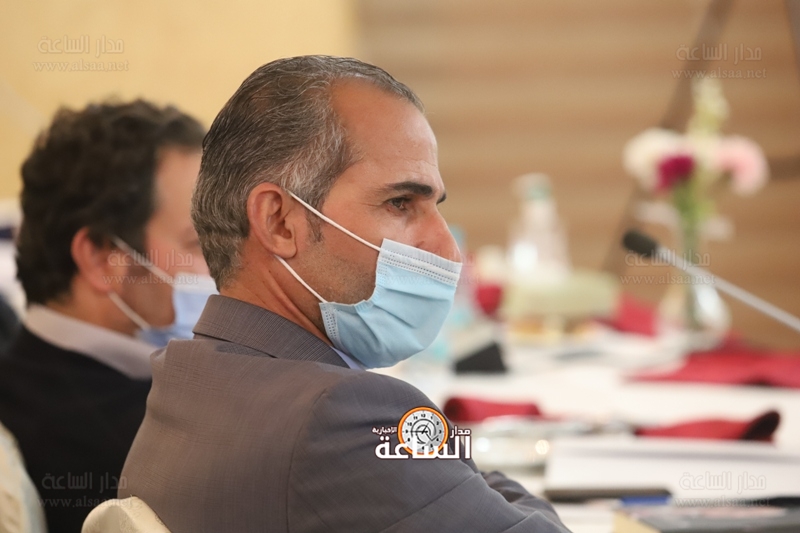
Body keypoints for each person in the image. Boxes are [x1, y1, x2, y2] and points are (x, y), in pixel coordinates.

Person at [119, 56, 569, 532]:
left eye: (434, 206)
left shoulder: (187, 378)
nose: (447, 250)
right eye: (400, 203)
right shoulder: (343, 415)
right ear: (279, 222)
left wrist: (449, 471)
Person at [0, 100, 212, 533]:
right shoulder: (139, 450)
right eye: (199, 242)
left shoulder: (20, 371)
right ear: (100, 257)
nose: (226, 264)